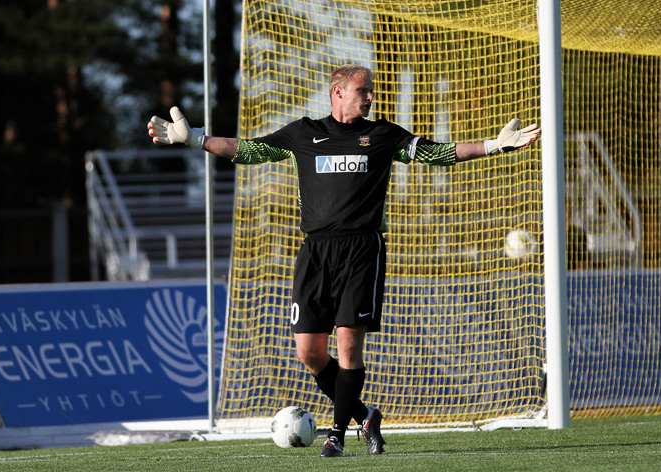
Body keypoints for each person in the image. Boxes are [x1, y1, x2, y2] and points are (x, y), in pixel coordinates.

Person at [147, 64, 540, 457]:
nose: (369, 97)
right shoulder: (303, 132)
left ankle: (336, 434)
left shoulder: (383, 134)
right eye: (362, 91)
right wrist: (197, 139)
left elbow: (437, 153)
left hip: (361, 250)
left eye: (370, 91)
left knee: (349, 349)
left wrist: (493, 145)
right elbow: (250, 150)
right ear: (338, 93)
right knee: (310, 352)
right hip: (315, 252)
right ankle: (365, 415)